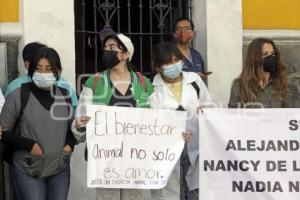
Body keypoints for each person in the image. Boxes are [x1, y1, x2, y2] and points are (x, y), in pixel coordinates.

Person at [72, 33, 153, 200]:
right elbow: (79, 126)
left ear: (126, 54)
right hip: (105, 161)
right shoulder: (93, 83)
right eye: (106, 48)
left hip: (135, 159)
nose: (107, 51)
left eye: (112, 48)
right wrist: (79, 125)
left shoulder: (144, 84)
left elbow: (158, 120)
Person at [0, 47, 76, 200]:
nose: (43, 74)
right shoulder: (18, 95)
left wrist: (69, 145)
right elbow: (3, 132)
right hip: (28, 170)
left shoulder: (65, 96)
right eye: (38, 69)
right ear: (31, 70)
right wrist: (30, 146)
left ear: (58, 71)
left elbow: (72, 129)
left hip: (59, 169)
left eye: (48, 69)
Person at [149, 42, 212, 200]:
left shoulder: (194, 80)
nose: (174, 65)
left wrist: (204, 113)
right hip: (166, 149)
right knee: (170, 192)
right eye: (168, 63)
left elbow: (208, 106)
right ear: (158, 67)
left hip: (195, 145)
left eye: (176, 60)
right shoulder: (150, 87)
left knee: (195, 191)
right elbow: (148, 120)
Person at [5, 42, 78, 110]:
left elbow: (75, 115)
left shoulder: (65, 86)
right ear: (27, 65)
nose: (43, 73)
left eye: (48, 68)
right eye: (38, 66)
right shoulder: (16, 87)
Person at [228, 38, 288, 108]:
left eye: (272, 54)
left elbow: (288, 115)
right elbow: (232, 116)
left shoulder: (280, 83)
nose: (271, 57)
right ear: (254, 58)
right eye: (265, 54)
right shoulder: (239, 86)